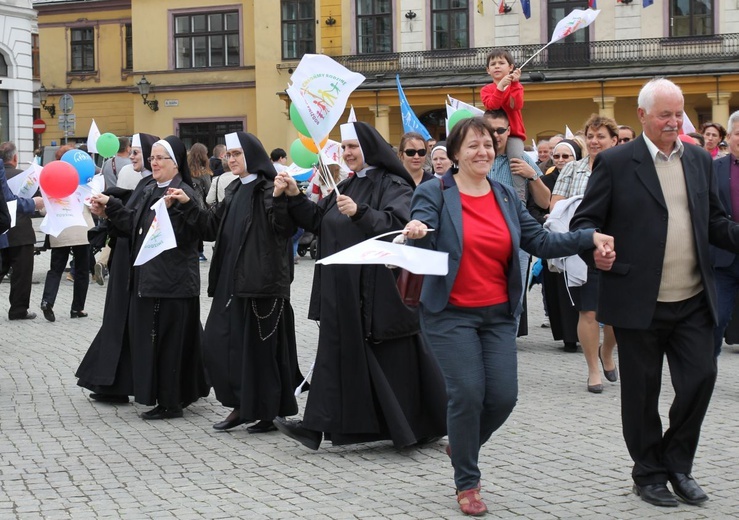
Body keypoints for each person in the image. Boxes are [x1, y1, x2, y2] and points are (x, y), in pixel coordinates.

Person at [404, 117, 613, 516]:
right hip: (450, 314)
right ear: (455, 152)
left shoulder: (503, 195)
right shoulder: (436, 191)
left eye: (488, 143)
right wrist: (418, 228)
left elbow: (540, 240)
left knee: (502, 396)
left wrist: (588, 237)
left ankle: (461, 444)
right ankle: (467, 480)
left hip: (498, 313)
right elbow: (424, 224)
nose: (483, 151)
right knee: (467, 393)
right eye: (472, 145)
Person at [570, 78, 739, 508]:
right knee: (642, 394)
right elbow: (584, 225)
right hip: (637, 300)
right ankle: (647, 474)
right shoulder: (616, 162)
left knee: (701, 378)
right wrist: (599, 251)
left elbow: (715, 223)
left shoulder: (700, 159)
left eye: (678, 113)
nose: (674, 121)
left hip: (694, 300)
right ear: (642, 115)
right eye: (665, 114)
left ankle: (677, 465)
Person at [272, 121, 447, 450]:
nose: (347, 152)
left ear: (369, 147)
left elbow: (397, 226)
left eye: (353, 146)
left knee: (390, 361)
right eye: (344, 147)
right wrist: (294, 196)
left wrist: (360, 213)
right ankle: (317, 427)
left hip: (374, 290)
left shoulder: (393, 183)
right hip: (341, 289)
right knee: (335, 355)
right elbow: (316, 222)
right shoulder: (347, 184)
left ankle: (421, 423)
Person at [171, 131, 302, 434]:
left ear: (252, 155)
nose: (230, 160)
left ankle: (263, 412)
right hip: (231, 280)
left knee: (260, 352)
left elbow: (283, 228)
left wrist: (283, 199)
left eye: (237, 154)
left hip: (260, 282)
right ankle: (243, 405)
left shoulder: (270, 189)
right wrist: (187, 203)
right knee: (219, 344)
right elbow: (211, 227)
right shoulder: (233, 190)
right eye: (228, 155)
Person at [90, 135, 209, 419]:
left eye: (160, 158)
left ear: (176, 164)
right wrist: (109, 209)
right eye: (152, 158)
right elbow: (133, 224)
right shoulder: (150, 189)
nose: (153, 163)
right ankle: (163, 396)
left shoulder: (183, 193)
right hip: (150, 279)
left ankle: (171, 403)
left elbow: (199, 231)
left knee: (170, 345)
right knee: (154, 342)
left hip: (174, 281)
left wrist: (179, 208)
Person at [76, 133, 159, 403]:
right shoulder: (142, 182)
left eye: (137, 152)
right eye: (132, 152)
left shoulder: (152, 184)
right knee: (120, 316)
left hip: (141, 260)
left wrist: (112, 208)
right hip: (125, 256)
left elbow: (139, 223)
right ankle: (114, 382)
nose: (132, 156)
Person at [550, 114, 620, 393]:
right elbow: (555, 205)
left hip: (617, 246)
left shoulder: (624, 168)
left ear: (614, 141)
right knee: (588, 310)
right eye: (590, 136)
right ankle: (593, 369)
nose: (594, 141)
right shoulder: (572, 169)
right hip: (582, 245)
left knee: (617, 313)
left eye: (600, 136)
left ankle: (607, 352)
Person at [528, 139, 583, 352]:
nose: (560, 160)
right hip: (553, 240)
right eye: (557, 156)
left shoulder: (585, 177)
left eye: (565, 156)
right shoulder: (545, 180)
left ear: (575, 157)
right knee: (557, 290)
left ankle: (583, 333)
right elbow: (533, 209)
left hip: (578, 240)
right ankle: (567, 336)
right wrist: (547, 220)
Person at [39, 146, 95, 322]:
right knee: (81, 271)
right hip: (81, 229)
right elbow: (92, 204)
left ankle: (47, 301)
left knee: (55, 269)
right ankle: (77, 308)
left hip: (59, 229)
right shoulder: (83, 182)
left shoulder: (51, 178)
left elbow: (43, 209)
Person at [710, 110, 739, 358]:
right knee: (715, 319)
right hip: (722, 259)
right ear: (728, 136)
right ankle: (704, 374)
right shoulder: (712, 168)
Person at [0, 142, 40, 320]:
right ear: (15, 158)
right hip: (21, 233)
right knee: (22, 275)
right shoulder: (26, 177)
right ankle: (18, 309)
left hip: (3, 232)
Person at [481, 50, 525, 160]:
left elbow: (516, 105)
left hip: (513, 135)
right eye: (493, 64)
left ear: (510, 67)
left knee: (516, 160)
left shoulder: (516, 86)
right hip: (491, 135)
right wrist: (500, 87)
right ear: (488, 70)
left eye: (501, 63)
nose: (497, 66)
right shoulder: (486, 89)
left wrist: (515, 84)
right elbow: (492, 106)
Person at [188, 142, 213, 262]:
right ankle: (200, 252)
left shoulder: (185, 170)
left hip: (186, 201)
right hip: (199, 204)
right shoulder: (204, 172)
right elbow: (208, 190)